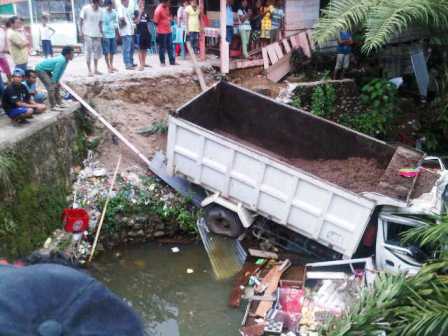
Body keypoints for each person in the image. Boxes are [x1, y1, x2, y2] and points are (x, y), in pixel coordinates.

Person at [80, 0, 103, 76]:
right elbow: (80, 21)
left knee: (97, 53)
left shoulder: (100, 10)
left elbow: (100, 23)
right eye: (97, 2)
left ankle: (95, 69)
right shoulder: (85, 8)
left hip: (97, 34)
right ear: (94, 2)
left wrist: (102, 33)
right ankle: (89, 70)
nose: (98, 4)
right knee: (88, 53)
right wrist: (81, 32)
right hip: (87, 34)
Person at [153, 0, 176, 66]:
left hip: (168, 30)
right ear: (164, 2)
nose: (169, 3)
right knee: (162, 47)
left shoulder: (167, 7)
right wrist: (159, 28)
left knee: (170, 46)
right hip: (161, 31)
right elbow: (155, 22)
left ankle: (172, 61)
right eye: (168, 2)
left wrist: (169, 19)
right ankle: (162, 62)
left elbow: (168, 16)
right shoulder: (158, 10)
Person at [118, 0, 136, 70]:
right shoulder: (120, 8)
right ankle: (127, 64)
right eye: (127, 1)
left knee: (131, 48)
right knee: (127, 48)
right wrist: (126, 22)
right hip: (125, 32)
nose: (128, 2)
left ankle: (131, 62)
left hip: (129, 31)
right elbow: (121, 18)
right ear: (123, 1)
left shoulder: (125, 8)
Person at [101, 0, 118, 73]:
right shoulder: (102, 12)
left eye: (111, 5)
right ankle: (108, 66)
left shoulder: (114, 12)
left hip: (112, 33)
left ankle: (111, 65)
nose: (110, 7)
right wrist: (101, 33)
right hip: (105, 34)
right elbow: (100, 23)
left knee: (112, 51)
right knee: (106, 52)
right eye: (108, 5)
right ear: (106, 5)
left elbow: (116, 22)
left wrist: (115, 29)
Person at [135, 1, 151, 70]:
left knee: (145, 48)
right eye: (141, 3)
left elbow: (148, 23)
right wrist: (140, 12)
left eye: (143, 3)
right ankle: (141, 64)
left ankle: (144, 63)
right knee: (140, 48)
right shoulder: (135, 12)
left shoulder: (146, 13)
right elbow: (137, 22)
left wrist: (149, 32)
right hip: (139, 32)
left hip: (146, 33)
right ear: (138, 4)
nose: (142, 4)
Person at [0, 19, 11, 85]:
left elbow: (6, 40)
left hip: (2, 54)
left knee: (7, 68)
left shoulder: (2, 30)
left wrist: (6, 48)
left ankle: (10, 82)